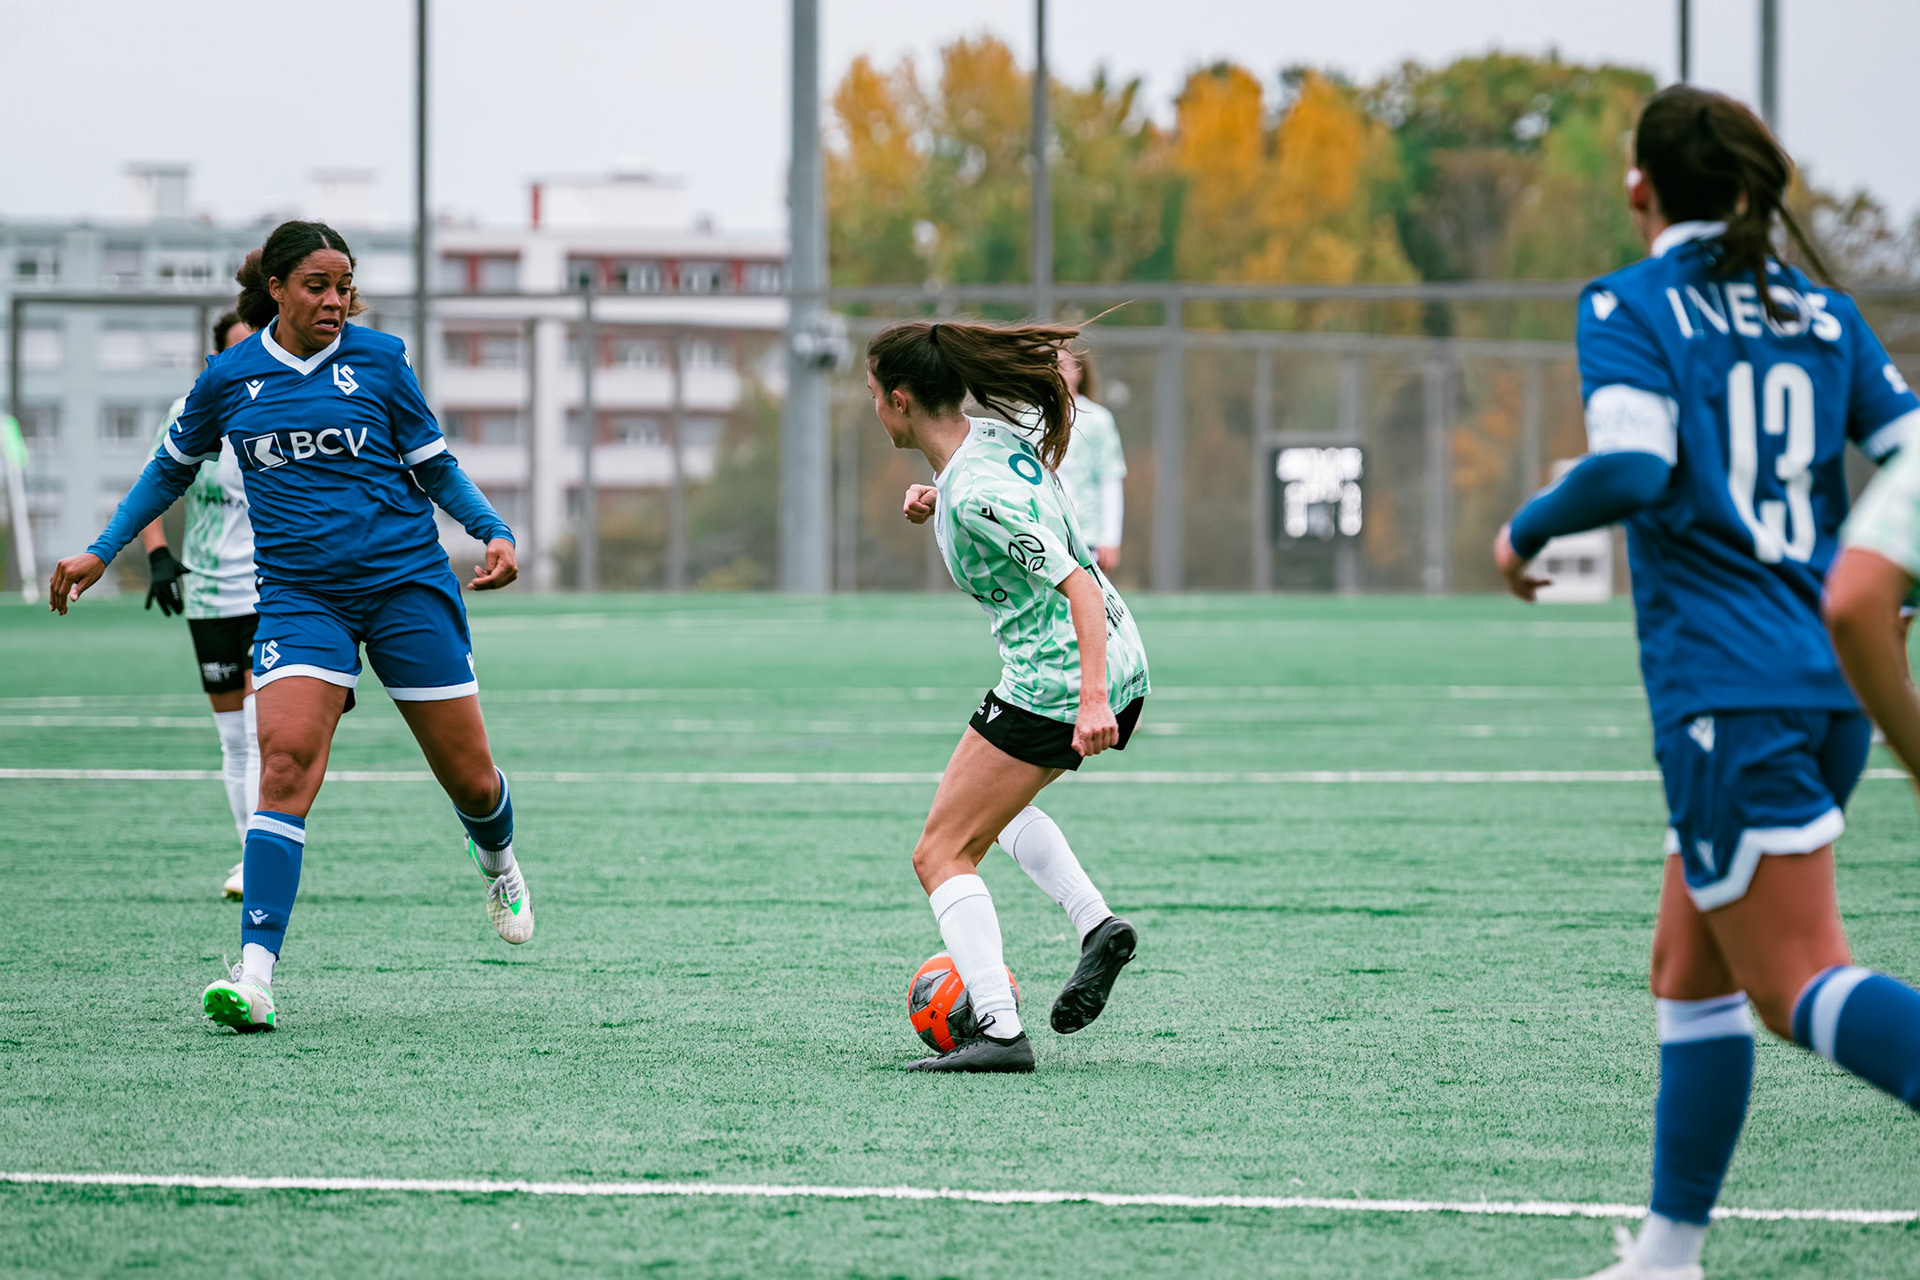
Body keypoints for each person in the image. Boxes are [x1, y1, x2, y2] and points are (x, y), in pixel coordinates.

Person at [1491, 87, 1920, 1280]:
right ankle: (1667, 1254)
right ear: (1749, 187)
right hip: (1828, 683)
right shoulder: (1826, 315)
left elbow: (1634, 462)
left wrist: (1523, 530)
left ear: (1641, 188)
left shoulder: (1632, 302)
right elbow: (1910, 454)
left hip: (1732, 692)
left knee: (1796, 984)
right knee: (1690, 967)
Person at [49, 220, 535, 1034]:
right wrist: (104, 550)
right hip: (303, 601)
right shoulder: (230, 378)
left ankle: (498, 860)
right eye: (318, 285)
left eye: (344, 286)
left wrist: (494, 532)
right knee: (283, 768)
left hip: (407, 590)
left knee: (474, 781)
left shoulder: (380, 363)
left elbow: (436, 466)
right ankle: (256, 976)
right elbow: (169, 467)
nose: (335, 301)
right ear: (276, 289)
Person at [875, 318, 1151, 1074]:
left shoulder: (979, 495)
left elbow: (1076, 586)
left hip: (1063, 681)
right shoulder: (984, 445)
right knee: (988, 813)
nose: (874, 408)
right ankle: (1096, 925)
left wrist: (1091, 699)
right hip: (1115, 662)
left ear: (900, 401)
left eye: (874, 395)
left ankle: (997, 1028)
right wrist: (940, 496)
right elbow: (994, 492)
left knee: (939, 853)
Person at [136, 310, 259, 900]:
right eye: (234, 350)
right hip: (209, 596)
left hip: (270, 593)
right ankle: (247, 853)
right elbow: (152, 486)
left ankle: (264, 855)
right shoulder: (193, 409)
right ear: (216, 356)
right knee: (233, 739)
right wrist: (159, 556)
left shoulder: (282, 406)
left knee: (265, 736)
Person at [1053, 347, 1127, 572]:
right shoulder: (1029, 417)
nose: (1057, 371)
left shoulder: (1098, 420)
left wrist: (1110, 538)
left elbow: (1110, 478)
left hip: (1086, 537)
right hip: (1043, 534)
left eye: (1063, 364)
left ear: (1079, 370)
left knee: (1085, 603)